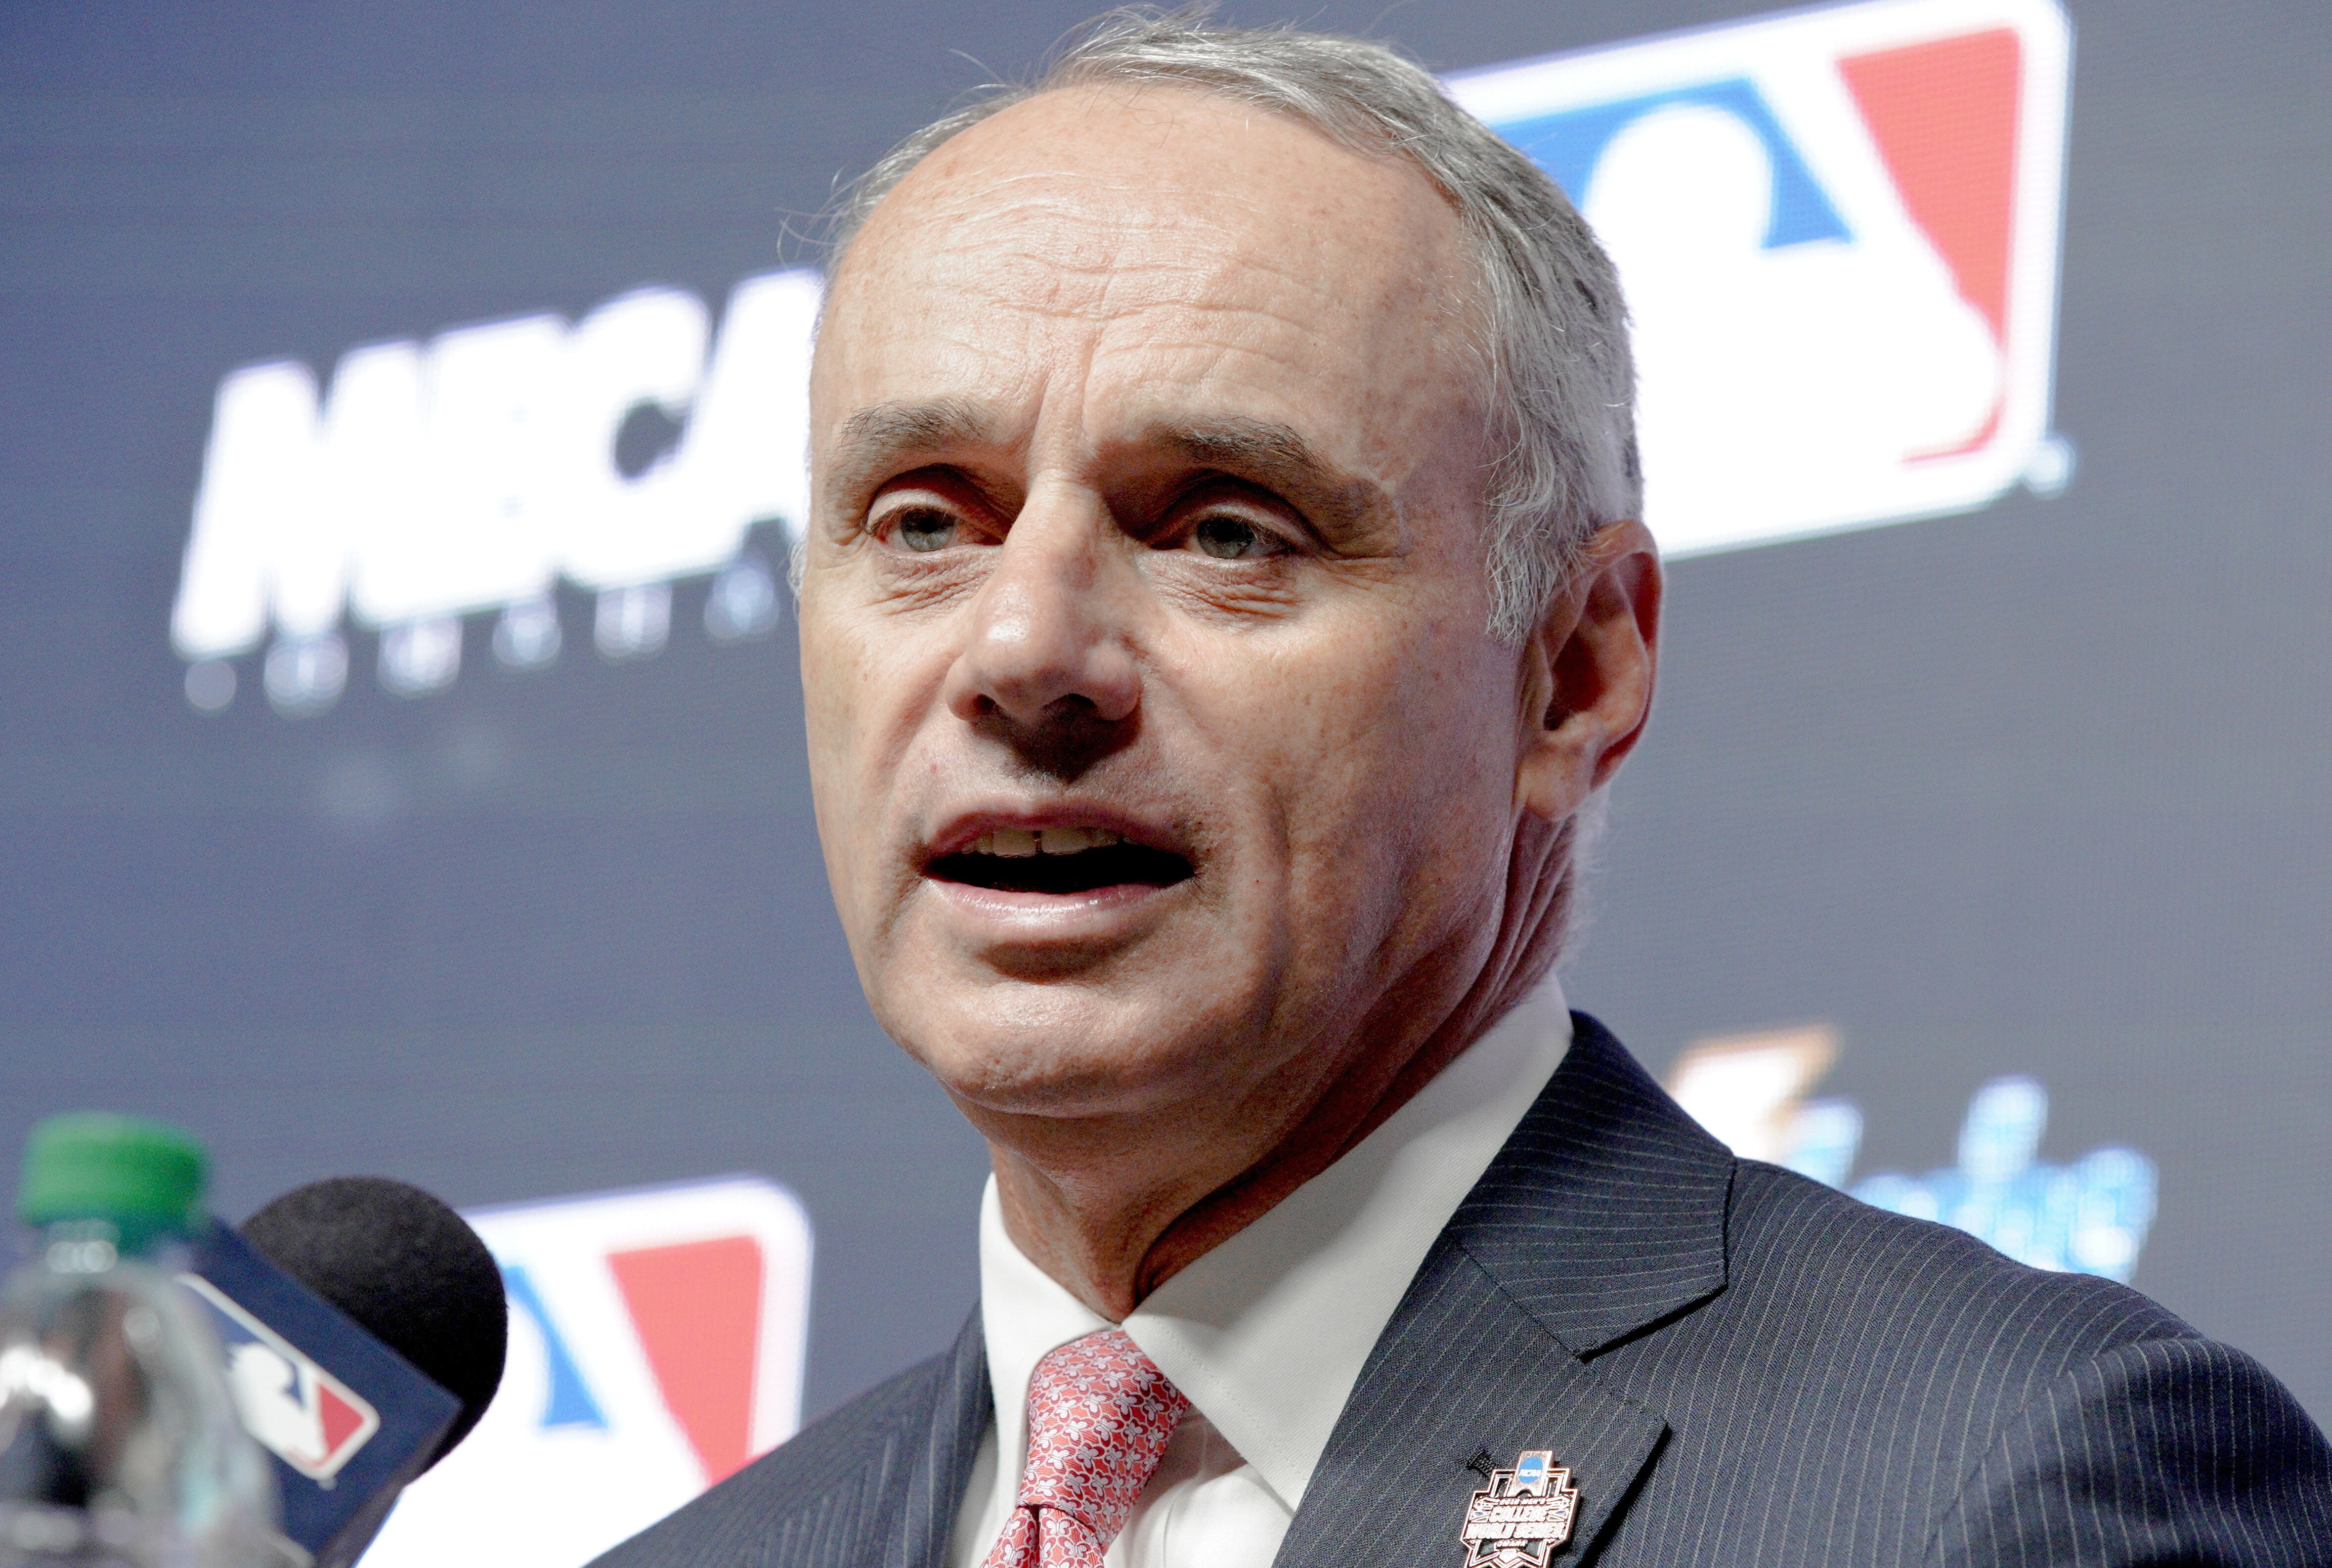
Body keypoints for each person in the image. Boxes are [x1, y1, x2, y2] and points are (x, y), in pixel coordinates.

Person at [593, 14, 2332, 1567]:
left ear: (1575, 668)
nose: (1024, 648)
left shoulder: (2006, 1489)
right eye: (923, 522)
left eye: (1222, 527)